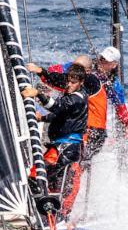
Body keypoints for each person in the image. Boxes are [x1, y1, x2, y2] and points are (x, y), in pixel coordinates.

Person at [28, 49, 128, 165]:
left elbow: (120, 106)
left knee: (75, 163)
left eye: (105, 61)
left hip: (92, 131)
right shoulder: (80, 71)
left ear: (114, 65)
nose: (101, 62)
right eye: (101, 58)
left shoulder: (97, 81)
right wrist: (45, 73)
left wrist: (41, 72)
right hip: (81, 127)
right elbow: (60, 74)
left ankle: (68, 178)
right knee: (66, 162)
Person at [21, 64, 88, 214]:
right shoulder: (70, 90)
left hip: (67, 147)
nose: (69, 85)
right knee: (49, 182)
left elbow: (57, 107)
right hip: (60, 146)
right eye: (68, 81)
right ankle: (47, 212)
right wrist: (41, 71)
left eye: (73, 82)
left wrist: (37, 93)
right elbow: (63, 115)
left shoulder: (77, 98)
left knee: (35, 176)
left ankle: (47, 213)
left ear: (81, 82)